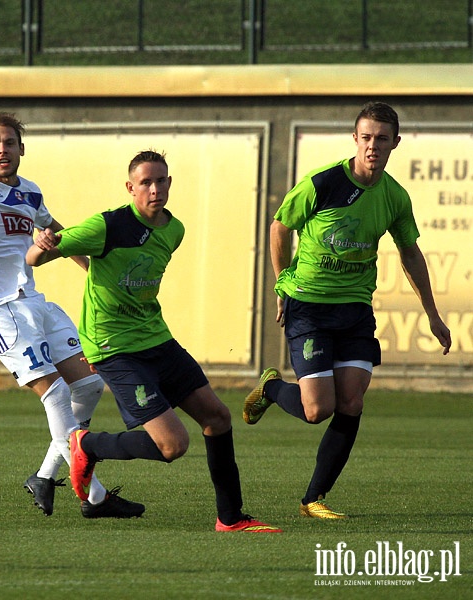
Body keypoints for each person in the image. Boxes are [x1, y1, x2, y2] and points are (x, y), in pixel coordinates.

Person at [26, 149, 281, 533]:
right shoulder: (107, 226)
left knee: (217, 418)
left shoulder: (173, 230)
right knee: (173, 445)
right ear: (130, 188)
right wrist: (43, 245)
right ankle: (87, 445)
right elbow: (35, 258)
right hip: (115, 348)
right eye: (145, 182)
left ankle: (230, 518)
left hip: (156, 339)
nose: (154, 189)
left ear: (169, 183)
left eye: (161, 180)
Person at [0, 112, 143, 519]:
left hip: (33, 303)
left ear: (22, 149)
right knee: (55, 393)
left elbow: (56, 231)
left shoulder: (30, 193)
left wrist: (93, 270)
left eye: (9, 143)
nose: (2, 150)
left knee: (90, 385)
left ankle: (44, 476)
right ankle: (94, 495)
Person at [243, 101, 452, 519]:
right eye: (366, 137)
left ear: (396, 142)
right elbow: (280, 227)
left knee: (351, 402)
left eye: (382, 139)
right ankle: (270, 389)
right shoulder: (322, 184)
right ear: (355, 139)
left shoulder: (394, 196)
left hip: (355, 309)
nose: (373, 146)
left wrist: (432, 313)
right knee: (317, 410)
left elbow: (410, 253)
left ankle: (313, 499)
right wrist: (283, 283)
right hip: (311, 308)